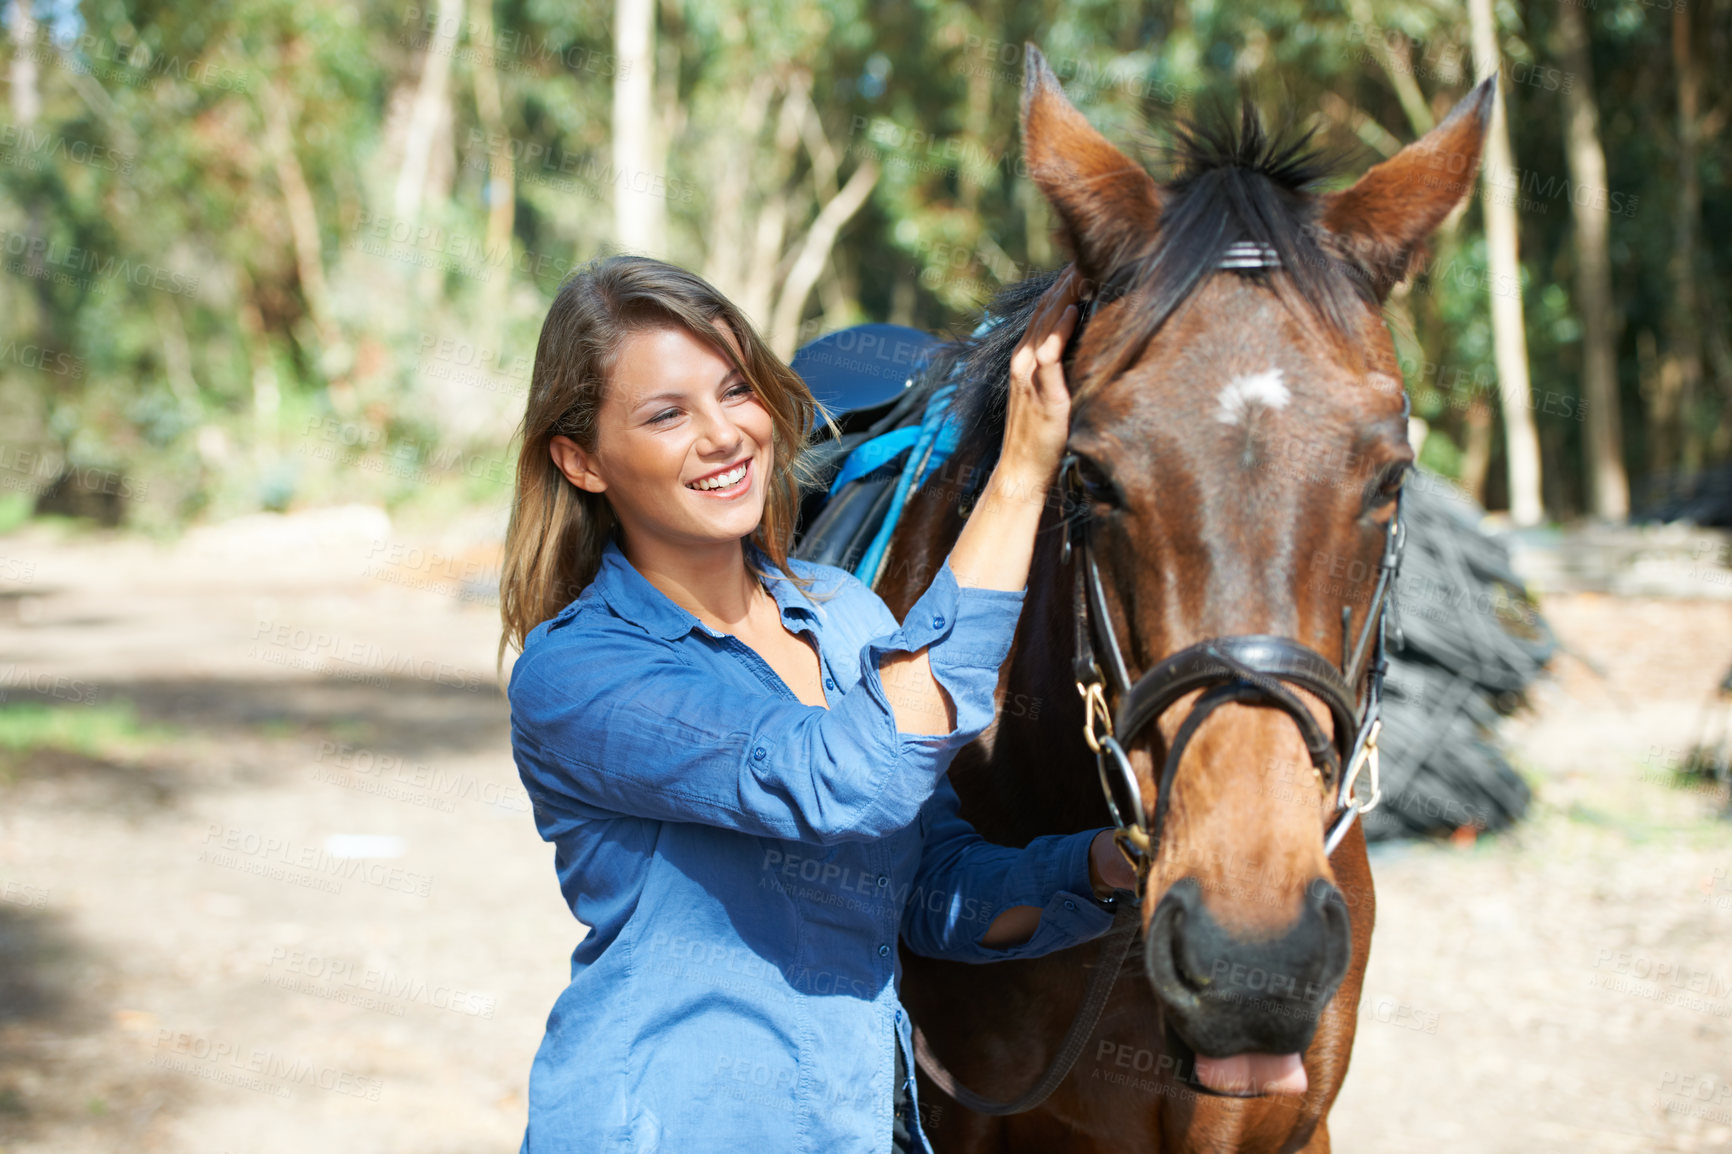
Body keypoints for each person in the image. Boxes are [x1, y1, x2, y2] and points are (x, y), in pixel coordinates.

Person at [499, 254, 1134, 1153]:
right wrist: (1018, 483)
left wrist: (1105, 864)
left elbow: (928, 893)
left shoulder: (847, 617)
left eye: (735, 390)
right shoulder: (580, 673)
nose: (723, 436)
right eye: (667, 414)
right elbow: (842, 782)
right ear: (581, 460)